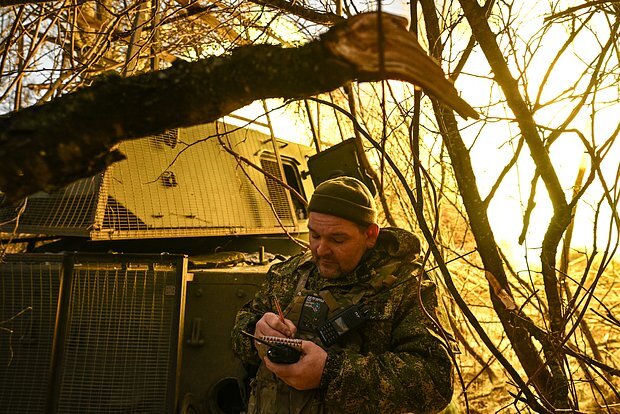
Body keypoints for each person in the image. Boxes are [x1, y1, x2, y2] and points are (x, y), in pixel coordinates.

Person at [231, 176, 454, 413]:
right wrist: (256, 333)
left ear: (370, 235)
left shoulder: (407, 286)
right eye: (315, 235)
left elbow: (436, 381)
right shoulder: (289, 273)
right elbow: (240, 330)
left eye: (337, 239)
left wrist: (331, 373)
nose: (321, 250)